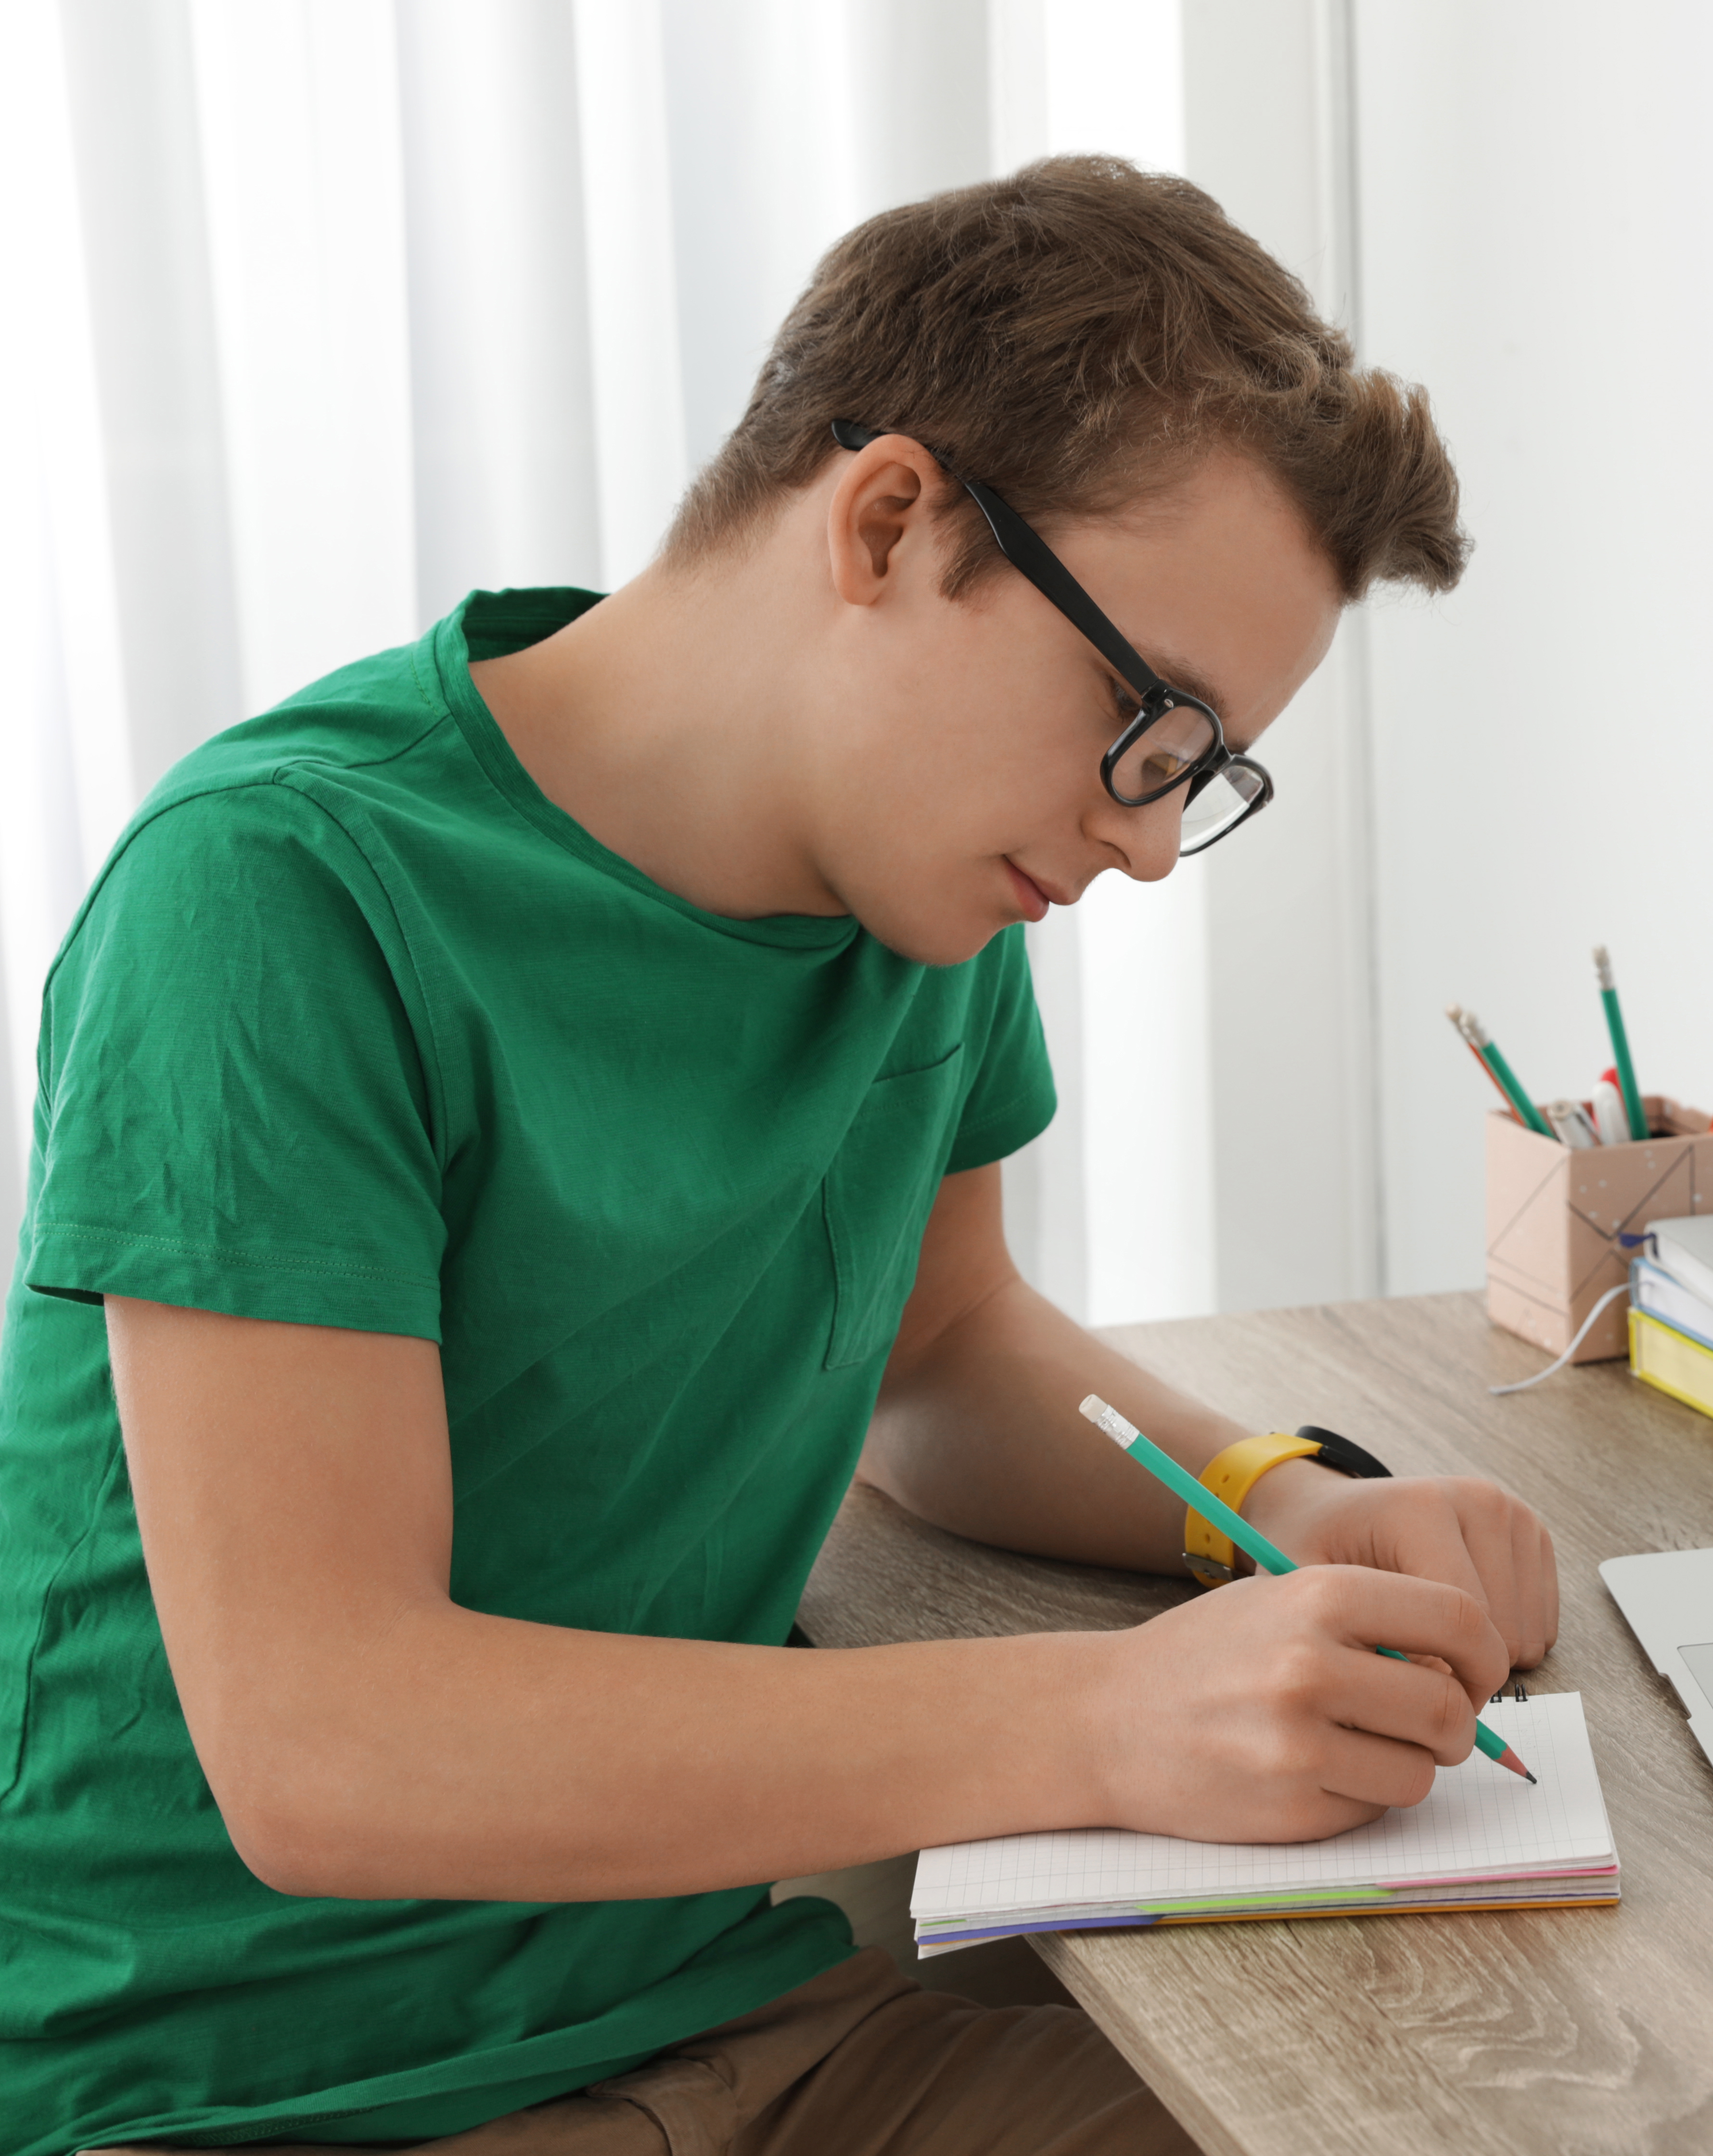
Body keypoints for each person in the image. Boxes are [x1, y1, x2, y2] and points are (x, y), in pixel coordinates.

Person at [0, 156, 1552, 2155]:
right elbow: (328, 1742)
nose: (1152, 839)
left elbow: (944, 1350)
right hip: (261, 2100)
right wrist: (1105, 1715)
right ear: (892, 522)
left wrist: (1278, 1501)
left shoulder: (922, 893)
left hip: (747, 2016)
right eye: (1144, 722)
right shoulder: (279, 899)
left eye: (1203, 769)